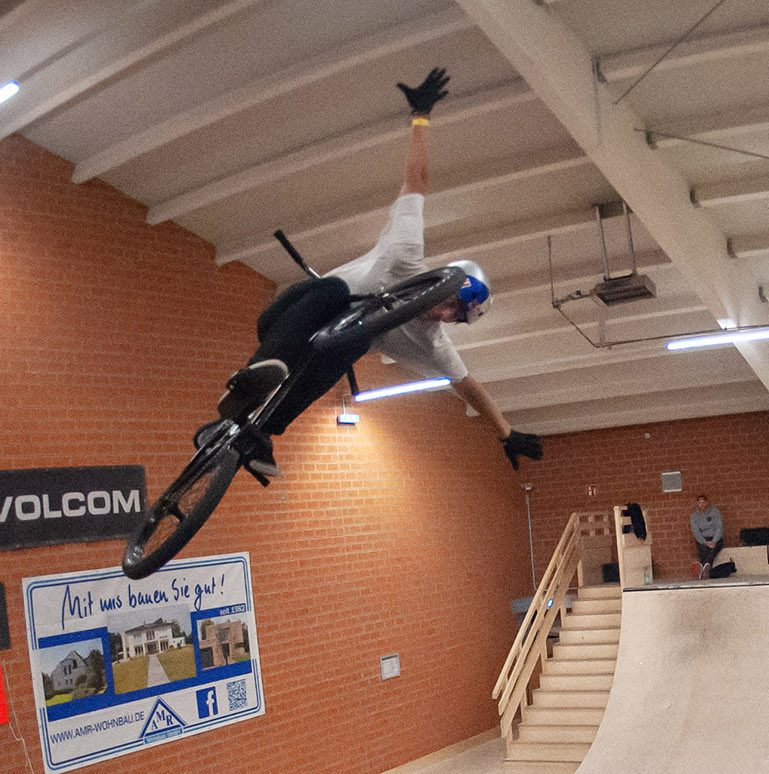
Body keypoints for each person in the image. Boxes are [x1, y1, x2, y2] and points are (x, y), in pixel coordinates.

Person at [220, 67, 542, 476]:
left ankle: (260, 434)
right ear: (446, 282)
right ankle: (252, 376)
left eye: (456, 318)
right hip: (287, 318)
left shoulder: (430, 341)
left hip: (316, 355)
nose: (444, 315)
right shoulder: (405, 254)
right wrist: (421, 117)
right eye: (451, 303)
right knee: (335, 292)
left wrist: (506, 433)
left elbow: (468, 386)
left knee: (353, 345)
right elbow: (417, 182)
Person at [690, 494, 724, 577]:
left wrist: (714, 541)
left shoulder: (715, 512)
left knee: (712, 551)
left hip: (715, 539)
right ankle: (706, 569)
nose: (702, 505)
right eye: (700, 502)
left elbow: (719, 527)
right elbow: (696, 532)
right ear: (697, 503)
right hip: (703, 540)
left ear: (707, 502)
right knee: (703, 550)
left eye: (703, 502)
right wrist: (705, 542)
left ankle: (704, 567)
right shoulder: (694, 516)